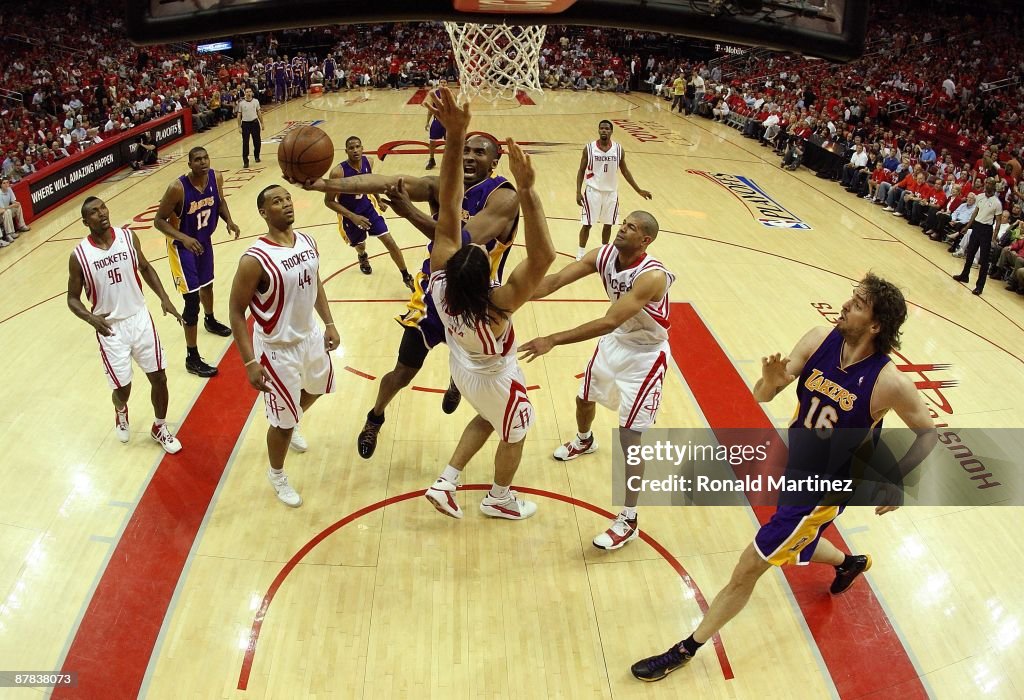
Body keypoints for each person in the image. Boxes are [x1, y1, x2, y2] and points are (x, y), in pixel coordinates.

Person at [630, 274, 938, 683]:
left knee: (748, 567)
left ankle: (687, 648)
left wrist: (897, 479)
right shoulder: (818, 338)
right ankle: (849, 563)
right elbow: (763, 393)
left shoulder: (888, 382)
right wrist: (769, 383)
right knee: (799, 543)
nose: (846, 305)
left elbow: (928, 433)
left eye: (858, 303)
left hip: (823, 489)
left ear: (875, 325)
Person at [292, 129, 520, 461]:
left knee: (473, 369)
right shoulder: (442, 186)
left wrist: (409, 213)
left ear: (495, 162)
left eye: (479, 153)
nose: (469, 157)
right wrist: (325, 185)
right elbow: (386, 180)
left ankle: (458, 380)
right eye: (465, 150)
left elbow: (459, 242)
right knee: (402, 371)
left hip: (479, 304)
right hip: (434, 295)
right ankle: (375, 416)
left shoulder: (504, 197)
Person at [420, 88, 555, 520]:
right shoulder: (498, 310)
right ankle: (499, 496)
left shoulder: (440, 283)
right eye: (480, 254)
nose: (479, 248)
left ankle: (446, 482)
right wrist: (529, 191)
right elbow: (543, 257)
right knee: (515, 431)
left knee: (488, 417)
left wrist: (453, 137)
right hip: (494, 376)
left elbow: (449, 202)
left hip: (462, 364)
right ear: (487, 284)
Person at [519, 211, 673, 549]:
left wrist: (553, 339)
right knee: (583, 398)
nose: (622, 229)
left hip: (645, 356)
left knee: (630, 437)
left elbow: (609, 322)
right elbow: (555, 280)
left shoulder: (652, 276)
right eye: (623, 223)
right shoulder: (604, 254)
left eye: (631, 227)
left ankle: (628, 519)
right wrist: (515, 294)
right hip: (616, 344)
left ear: (645, 240)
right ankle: (585, 440)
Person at [228, 184, 338, 507]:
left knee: (318, 388)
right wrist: (249, 362)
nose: (286, 204)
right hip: (276, 349)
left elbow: (315, 281)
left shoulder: (307, 241)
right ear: (264, 213)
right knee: (283, 424)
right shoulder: (254, 260)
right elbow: (236, 311)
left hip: (310, 336)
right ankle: (276, 474)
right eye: (277, 201)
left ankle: (290, 416)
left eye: (288, 199)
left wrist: (329, 322)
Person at [67, 197, 184, 453]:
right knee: (123, 389)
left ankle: (160, 427)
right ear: (86, 222)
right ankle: (120, 409)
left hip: (139, 318)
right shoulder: (79, 256)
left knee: (160, 377)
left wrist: (164, 298)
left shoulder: (128, 238)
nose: (102, 213)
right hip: (109, 328)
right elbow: (72, 299)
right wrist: (90, 317)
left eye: (103, 207)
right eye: (94, 212)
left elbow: (145, 267)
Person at [154, 146, 241, 378]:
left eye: (205, 158)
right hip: (182, 248)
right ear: (190, 164)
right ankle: (192, 358)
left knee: (208, 285)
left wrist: (229, 221)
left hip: (204, 241)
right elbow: (159, 221)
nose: (203, 162)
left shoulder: (216, 177)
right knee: (191, 301)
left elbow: (220, 202)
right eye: (197, 159)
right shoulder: (177, 188)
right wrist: (183, 237)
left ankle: (210, 320)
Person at [324, 136, 414, 290]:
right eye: (351, 148)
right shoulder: (338, 173)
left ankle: (406, 276)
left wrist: (378, 199)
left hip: (367, 208)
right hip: (349, 215)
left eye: (357, 146)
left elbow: (371, 183)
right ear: (346, 151)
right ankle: (362, 255)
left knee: (389, 241)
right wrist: (353, 217)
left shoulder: (369, 162)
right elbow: (329, 201)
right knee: (360, 244)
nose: (355, 150)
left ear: (362, 148)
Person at [575, 120, 652, 260]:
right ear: (599, 130)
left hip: (611, 192)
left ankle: (605, 251)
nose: (604, 131)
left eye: (607, 129)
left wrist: (638, 190)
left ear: (611, 131)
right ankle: (580, 253)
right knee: (587, 224)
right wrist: (578, 191)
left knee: (608, 224)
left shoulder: (618, 149)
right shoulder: (589, 148)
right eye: (602, 128)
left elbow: (625, 171)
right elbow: (581, 170)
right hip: (593, 191)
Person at [953, 177, 1002, 295]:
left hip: (986, 229)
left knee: (984, 261)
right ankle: (965, 275)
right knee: (970, 253)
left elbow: (998, 221)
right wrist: (967, 226)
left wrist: (994, 237)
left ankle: (980, 286)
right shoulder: (979, 197)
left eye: (990, 183)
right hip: (977, 226)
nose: (987, 185)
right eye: (987, 183)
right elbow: (975, 213)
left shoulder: (997, 203)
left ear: (994, 186)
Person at [236, 88, 264, 168]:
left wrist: (262, 123)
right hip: (245, 124)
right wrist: (239, 126)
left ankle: (257, 156)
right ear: (245, 93)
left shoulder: (256, 101)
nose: (248, 93)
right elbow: (239, 115)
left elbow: (259, 112)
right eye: (247, 92)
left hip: (255, 123)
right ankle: (245, 161)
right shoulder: (241, 103)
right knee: (245, 143)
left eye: (250, 92)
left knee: (257, 141)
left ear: (252, 93)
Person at [424, 80, 448, 170]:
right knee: (432, 141)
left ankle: (446, 161)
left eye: (445, 82)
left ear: (447, 84)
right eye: (441, 82)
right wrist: (427, 122)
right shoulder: (434, 94)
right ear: (439, 84)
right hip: (437, 120)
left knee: (448, 143)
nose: (443, 84)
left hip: (448, 122)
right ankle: (431, 159)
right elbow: (430, 109)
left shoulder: (452, 95)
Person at [0, 177, 30, 244]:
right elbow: (2, 209)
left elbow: (13, 201)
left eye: (7, 182)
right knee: (7, 212)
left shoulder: (9, 189)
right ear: (1, 185)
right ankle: (10, 233)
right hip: (2, 215)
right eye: (4, 183)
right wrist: (12, 206)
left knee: (18, 206)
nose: (6, 184)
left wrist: (16, 203)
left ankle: (22, 226)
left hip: (7, 211)